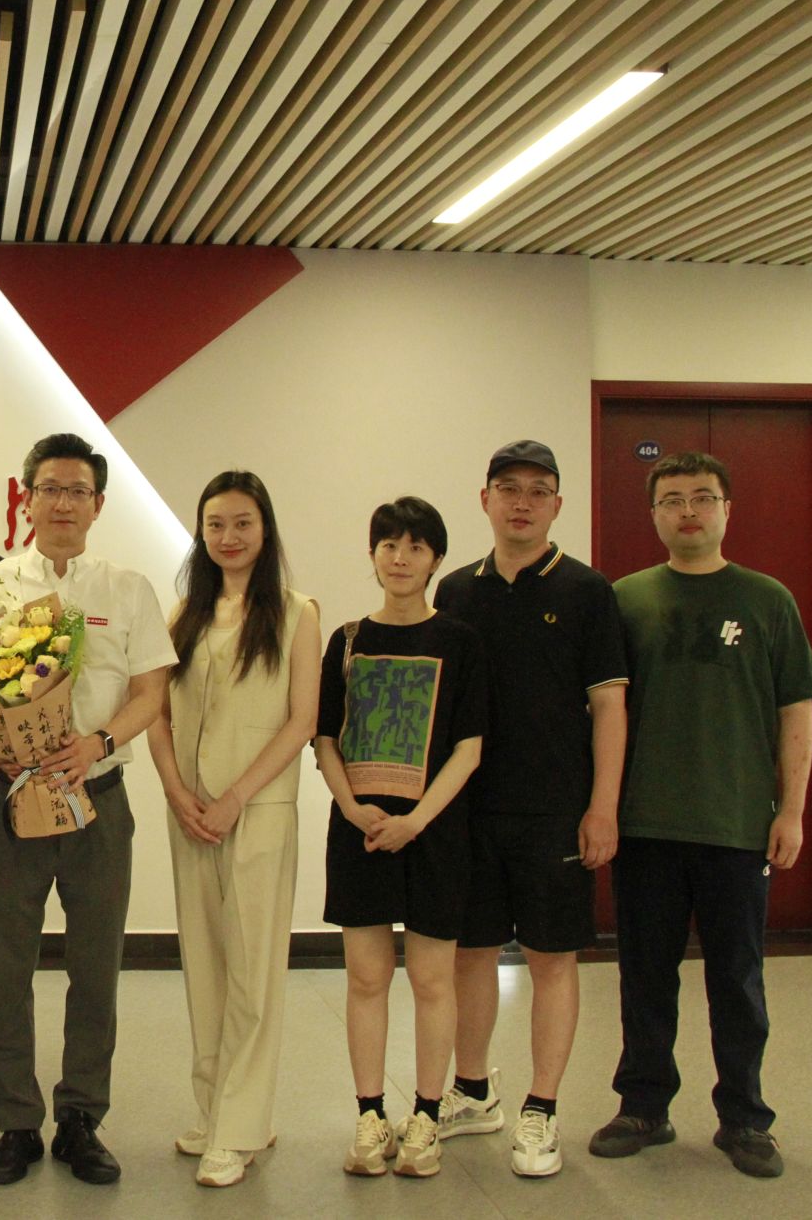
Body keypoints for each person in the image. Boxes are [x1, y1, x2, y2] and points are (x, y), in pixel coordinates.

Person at [590, 451, 812, 1180]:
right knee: (644, 977)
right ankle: (643, 1106)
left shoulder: (767, 601)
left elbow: (796, 712)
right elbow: (604, 711)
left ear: (727, 509)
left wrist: (792, 810)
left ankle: (745, 1118)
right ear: (653, 514)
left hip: (736, 824)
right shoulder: (625, 600)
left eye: (702, 497)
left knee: (738, 980)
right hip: (646, 823)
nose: (688, 510)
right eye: (672, 499)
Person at [0, 433, 177, 1187]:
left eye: (77, 491)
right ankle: (16, 1122)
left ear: (98, 504)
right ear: (27, 499)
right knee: (6, 963)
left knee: (96, 965)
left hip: (99, 800)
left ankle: (82, 1116)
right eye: (49, 489)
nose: (62, 503)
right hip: (12, 799)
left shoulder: (128, 588)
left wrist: (98, 742)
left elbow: (151, 692)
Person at [431, 441, 628, 1178]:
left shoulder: (586, 590)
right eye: (508, 488)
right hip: (470, 811)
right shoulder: (455, 590)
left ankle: (542, 1108)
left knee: (551, 957)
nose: (522, 502)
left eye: (538, 490)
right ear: (484, 498)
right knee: (470, 952)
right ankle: (473, 1090)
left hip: (555, 812)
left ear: (557, 505)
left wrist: (602, 807)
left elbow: (609, 707)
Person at [146, 471, 318, 1188]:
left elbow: (302, 721)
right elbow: (155, 712)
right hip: (190, 812)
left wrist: (236, 797)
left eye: (242, 522)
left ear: (264, 528)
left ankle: (241, 1129)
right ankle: (218, 1108)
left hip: (259, 810)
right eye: (215, 524)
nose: (229, 536)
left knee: (253, 970)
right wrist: (177, 791)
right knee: (206, 966)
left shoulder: (297, 614)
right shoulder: (183, 613)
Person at [315, 497, 486, 1181]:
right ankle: (369, 1114)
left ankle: (426, 1114)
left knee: (432, 977)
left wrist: (417, 820)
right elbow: (325, 738)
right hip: (358, 830)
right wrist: (353, 808)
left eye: (415, 546)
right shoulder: (347, 640)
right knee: (366, 976)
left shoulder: (460, 641)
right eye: (388, 544)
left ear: (436, 558)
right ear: (372, 554)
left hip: (436, 833)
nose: (400, 557)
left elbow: (470, 746)